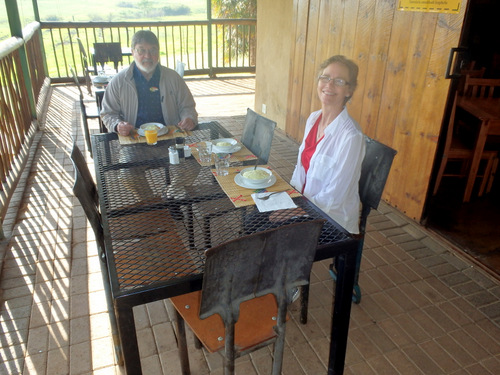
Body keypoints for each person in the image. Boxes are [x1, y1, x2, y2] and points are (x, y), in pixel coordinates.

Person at [289, 55, 365, 234]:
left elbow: (334, 198)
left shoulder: (351, 136)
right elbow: (301, 169)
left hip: (332, 221)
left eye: (338, 81)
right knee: (254, 219)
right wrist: (288, 197)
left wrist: (292, 212)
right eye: (325, 78)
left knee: (264, 236)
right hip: (305, 205)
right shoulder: (313, 118)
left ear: (349, 90)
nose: (329, 85)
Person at [100, 30, 197, 134]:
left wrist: (189, 118)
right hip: (133, 138)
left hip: (170, 137)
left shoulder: (173, 78)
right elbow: (108, 113)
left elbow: (187, 106)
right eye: (141, 51)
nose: (148, 56)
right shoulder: (119, 81)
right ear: (133, 52)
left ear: (158, 52)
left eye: (153, 50)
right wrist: (117, 125)